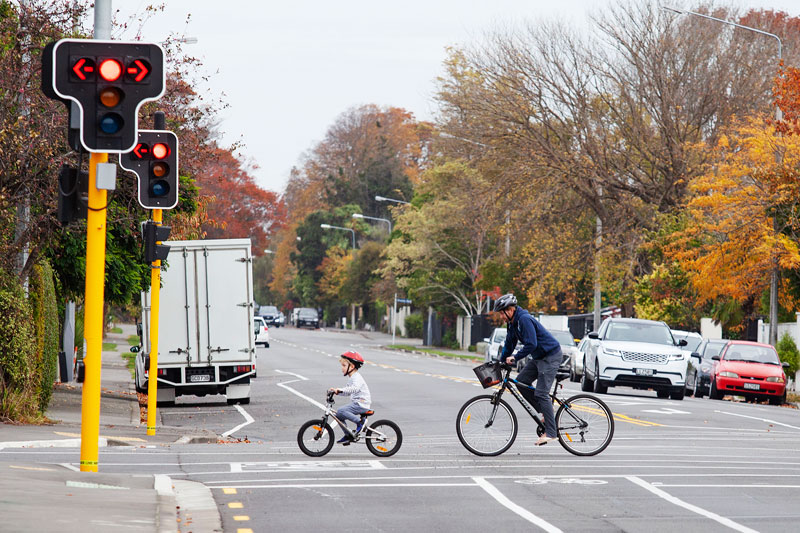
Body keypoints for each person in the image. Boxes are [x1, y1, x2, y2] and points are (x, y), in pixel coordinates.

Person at [494, 293, 562, 446]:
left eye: (501, 313)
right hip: (539, 357)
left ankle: (551, 432)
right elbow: (509, 344)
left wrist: (515, 358)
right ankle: (545, 411)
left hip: (550, 355)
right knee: (521, 382)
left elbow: (532, 344)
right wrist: (501, 361)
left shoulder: (523, 319)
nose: (501, 317)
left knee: (541, 393)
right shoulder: (512, 323)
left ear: (510, 310)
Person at [328, 351, 371, 444]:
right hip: (357, 403)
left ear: (351, 366)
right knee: (338, 416)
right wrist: (337, 392)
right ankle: (348, 435)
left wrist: (339, 389)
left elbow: (353, 389)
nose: (341, 368)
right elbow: (348, 391)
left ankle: (360, 422)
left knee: (341, 410)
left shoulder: (357, 378)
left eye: (344, 365)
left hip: (362, 403)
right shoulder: (351, 377)